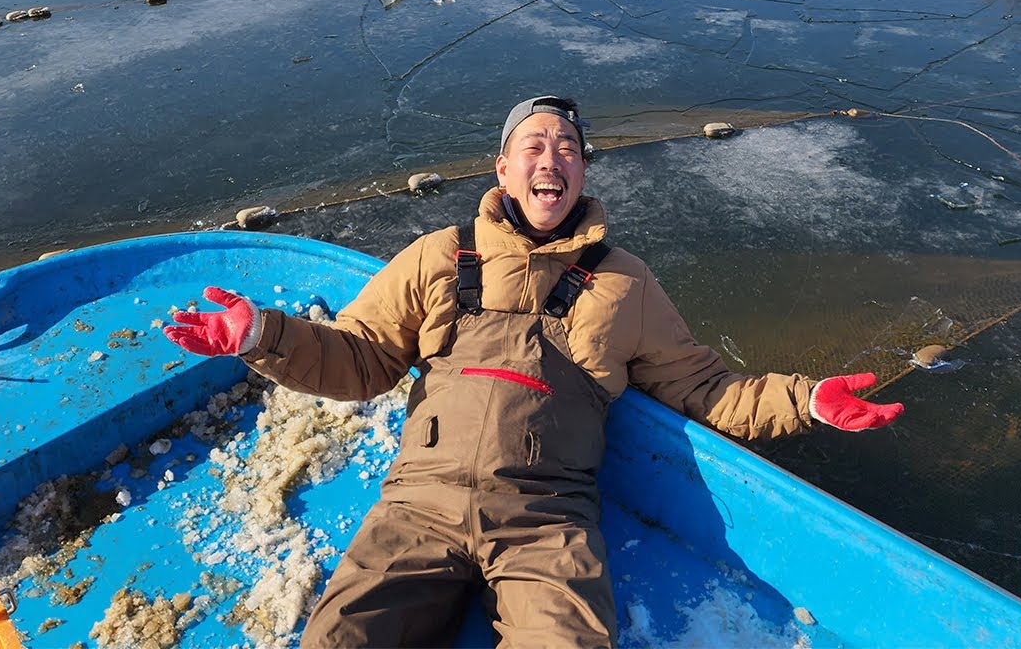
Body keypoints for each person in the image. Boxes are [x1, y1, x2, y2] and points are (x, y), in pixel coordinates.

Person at [164, 96, 904, 647]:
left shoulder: (626, 282)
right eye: (534, 145)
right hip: (418, 506)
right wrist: (265, 334)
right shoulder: (436, 255)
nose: (551, 158)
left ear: (580, 172)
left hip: (547, 523)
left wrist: (805, 399)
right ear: (504, 168)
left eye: (568, 148)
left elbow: (705, 388)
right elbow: (360, 359)